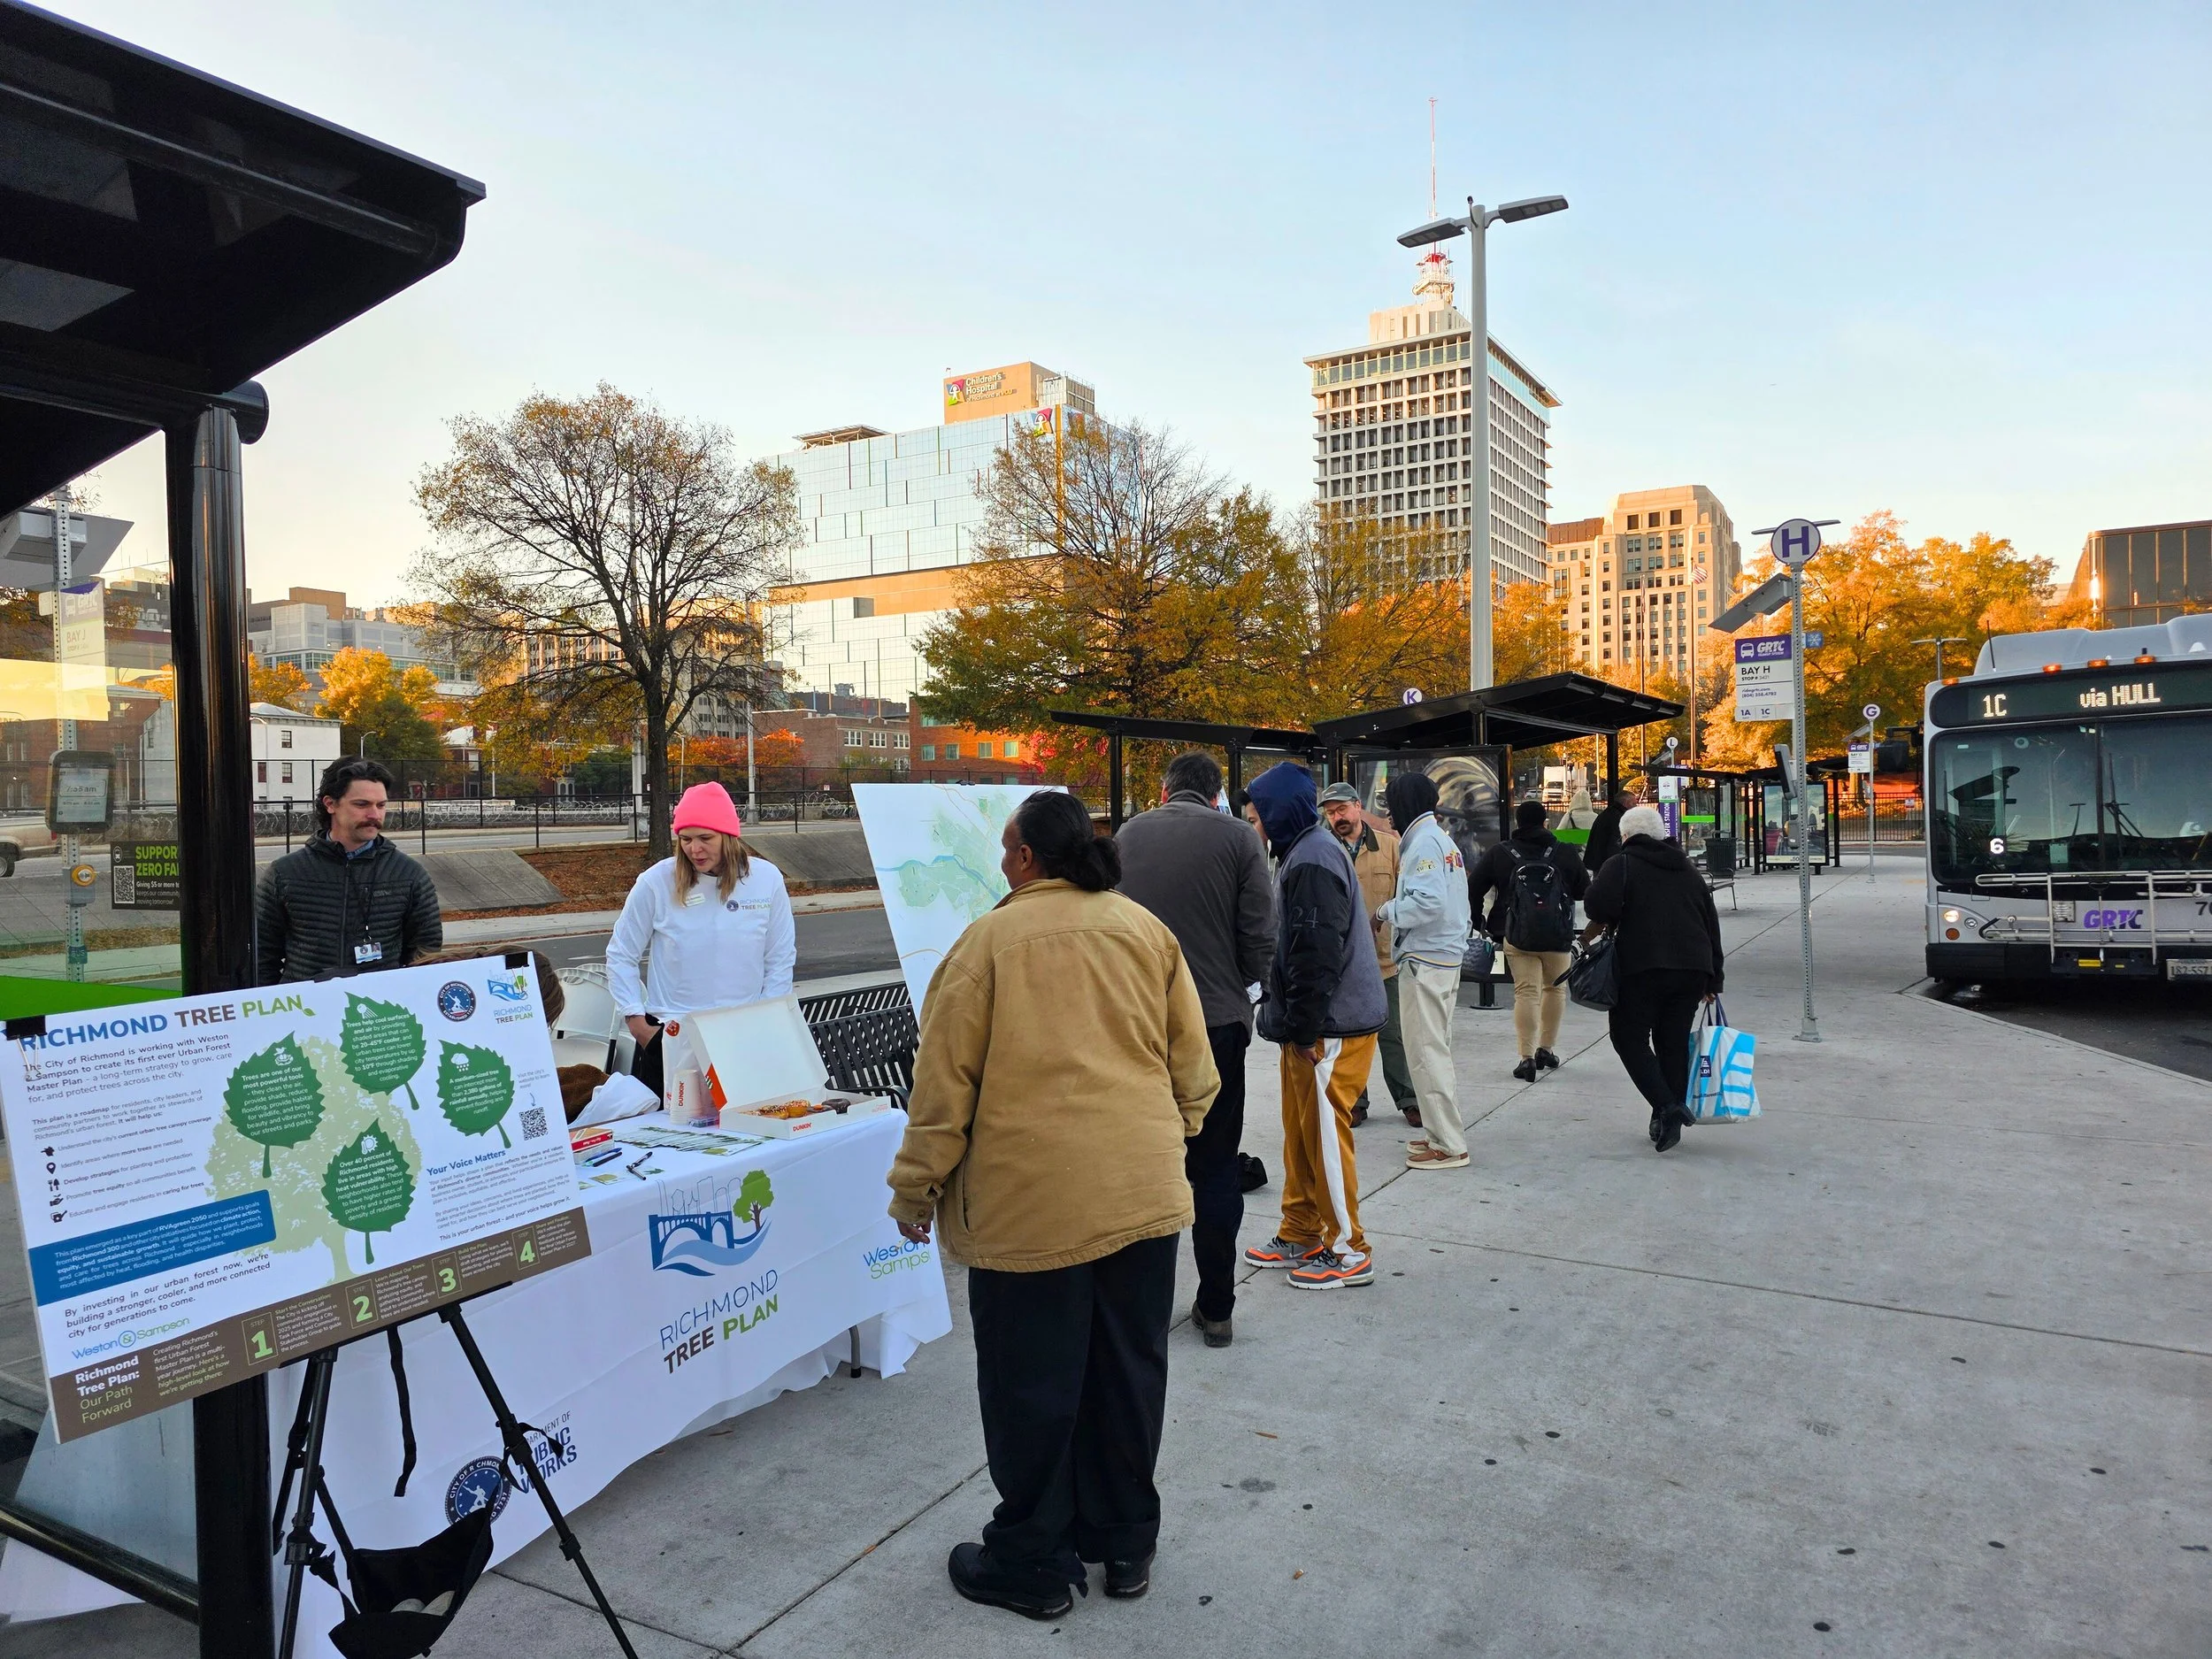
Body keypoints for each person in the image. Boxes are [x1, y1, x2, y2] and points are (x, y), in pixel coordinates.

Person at [887, 790, 1217, 1620]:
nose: (1001, 861)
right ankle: (1127, 1542)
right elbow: (1196, 1070)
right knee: (1129, 1372)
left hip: (1030, 1205)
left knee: (1031, 1385)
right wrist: (1160, 1135)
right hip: (1141, 1194)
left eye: (1006, 849)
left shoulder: (985, 945)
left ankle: (1033, 1556)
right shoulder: (1145, 931)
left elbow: (942, 1090)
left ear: (1027, 857)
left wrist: (916, 1187)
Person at [1117, 751, 1275, 1349]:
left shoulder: (1128, 835)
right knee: (1213, 1166)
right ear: (1216, 796)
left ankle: (1142, 1309)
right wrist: (1242, 984)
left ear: (1164, 791)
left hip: (1141, 1024)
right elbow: (1260, 933)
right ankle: (1217, 1307)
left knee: (1146, 1163)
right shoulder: (1239, 838)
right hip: (1215, 1023)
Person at [1240, 762, 1386, 1289]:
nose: (1253, 828)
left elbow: (1315, 952)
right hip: (1313, 1024)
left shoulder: (1311, 858)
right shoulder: (1305, 852)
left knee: (1323, 1135)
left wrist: (1304, 1029)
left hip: (1330, 1026)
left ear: (1278, 814)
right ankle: (1302, 1230)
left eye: (1256, 818)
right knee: (1302, 1134)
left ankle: (1348, 1251)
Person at [606, 782, 795, 1097]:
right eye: (686, 839)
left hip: (742, 1035)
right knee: (669, 1124)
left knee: (744, 1122)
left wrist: (765, 1020)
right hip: (671, 1033)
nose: (695, 849)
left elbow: (779, 957)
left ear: (728, 836)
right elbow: (621, 953)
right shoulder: (656, 882)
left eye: (705, 838)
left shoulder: (767, 879)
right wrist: (637, 1022)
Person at [1583, 804, 1724, 1154]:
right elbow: (1710, 924)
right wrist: (1714, 978)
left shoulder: (1621, 864)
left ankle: (1667, 1106)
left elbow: (1596, 908)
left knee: (1627, 1038)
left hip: (1641, 968)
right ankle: (1666, 1120)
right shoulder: (1688, 869)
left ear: (1625, 836)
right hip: (1692, 970)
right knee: (1672, 1042)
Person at [255, 757, 442, 984]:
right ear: (330, 804)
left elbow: (425, 954)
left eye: (381, 805)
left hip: (379, 1004)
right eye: (362, 805)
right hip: (307, 1003)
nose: (375, 815)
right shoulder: (284, 873)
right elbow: (262, 955)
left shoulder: (409, 874)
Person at [1371, 773, 1474, 1171]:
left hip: (1426, 962)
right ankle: (1438, 1133)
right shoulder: (1439, 839)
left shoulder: (1424, 843)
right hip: (1441, 958)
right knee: (1433, 1052)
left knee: (1426, 1056)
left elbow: (1427, 903)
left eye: (1391, 804)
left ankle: (1449, 1146)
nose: (1388, 814)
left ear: (1405, 804)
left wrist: (1384, 911)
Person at [1317, 782, 1419, 1130]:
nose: (1337, 817)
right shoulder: (1325, 849)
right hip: (1341, 961)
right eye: (1331, 813)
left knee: (1394, 1034)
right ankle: (1354, 1102)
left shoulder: (1390, 847)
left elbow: (1406, 897)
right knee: (1349, 1036)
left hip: (1384, 960)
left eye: (1342, 809)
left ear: (1358, 806)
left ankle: (1409, 1099)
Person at [1471, 799, 1591, 1081]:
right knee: (1555, 990)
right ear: (1545, 822)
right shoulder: (1564, 852)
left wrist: (1480, 923)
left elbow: (1473, 888)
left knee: (1526, 992)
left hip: (1516, 935)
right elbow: (1584, 891)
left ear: (1518, 822)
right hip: (1558, 936)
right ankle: (1545, 1049)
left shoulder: (1501, 852)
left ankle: (1525, 1058)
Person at [1584, 786, 1635, 874]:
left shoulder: (1609, 814)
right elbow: (1615, 844)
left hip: (1598, 862)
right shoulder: (1619, 818)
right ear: (1626, 803)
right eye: (1634, 804)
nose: (1636, 806)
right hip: (1607, 865)